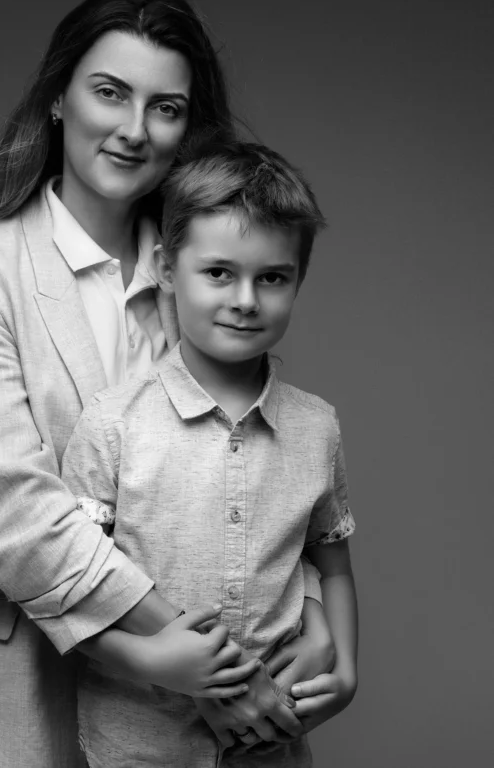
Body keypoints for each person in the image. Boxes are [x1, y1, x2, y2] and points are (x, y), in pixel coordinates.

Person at [0, 1, 337, 767]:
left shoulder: (206, 270)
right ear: (58, 97)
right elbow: (12, 514)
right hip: (12, 685)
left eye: (165, 107)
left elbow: (259, 465)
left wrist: (317, 613)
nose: (135, 128)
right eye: (109, 92)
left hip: (191, 728)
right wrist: (208, 671)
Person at [61, 140, 359, 767]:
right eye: (219, 272)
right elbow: (77, 589)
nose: (246, 299)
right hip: (137, 743)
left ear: (298, 280)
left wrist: (346, 671)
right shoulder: (114, 424)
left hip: (274, 745)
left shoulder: (316, 427)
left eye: (272, 277)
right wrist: (150, 659)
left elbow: (330, 564)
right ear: (168, 269)